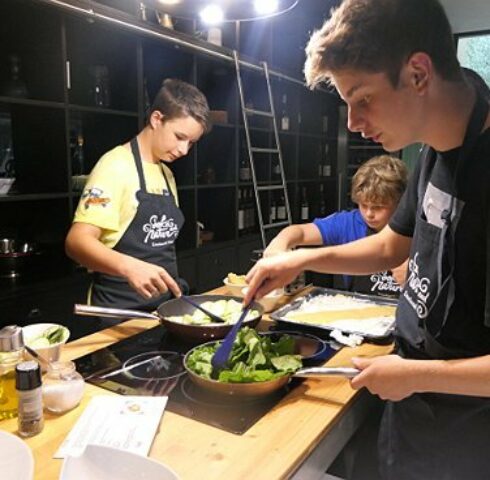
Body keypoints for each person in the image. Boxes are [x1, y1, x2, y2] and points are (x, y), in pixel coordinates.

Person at [244, 0, 490, 478]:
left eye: (363, 98)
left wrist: (418, 375)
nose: (353, 122)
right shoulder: (442, 146)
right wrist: (299, 260)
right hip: (412, 405)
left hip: (470, 435)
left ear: (419, 73)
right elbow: (390, 245)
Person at [66, 79, 210, 318]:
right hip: (120, 312)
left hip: (161, 309)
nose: (184, 150)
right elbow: (76, 242)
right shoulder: (114, 166)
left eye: (191, 143)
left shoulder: (166, 173)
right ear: (156, 119)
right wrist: (129, 266)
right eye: (179, 136)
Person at [264, 154, 408, 296]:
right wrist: (279, 243)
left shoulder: (416, 228)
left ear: (399, 203)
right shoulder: (347, 223)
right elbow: (299, 231)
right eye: (363, 205)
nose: (369, 213)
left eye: (378, 207)